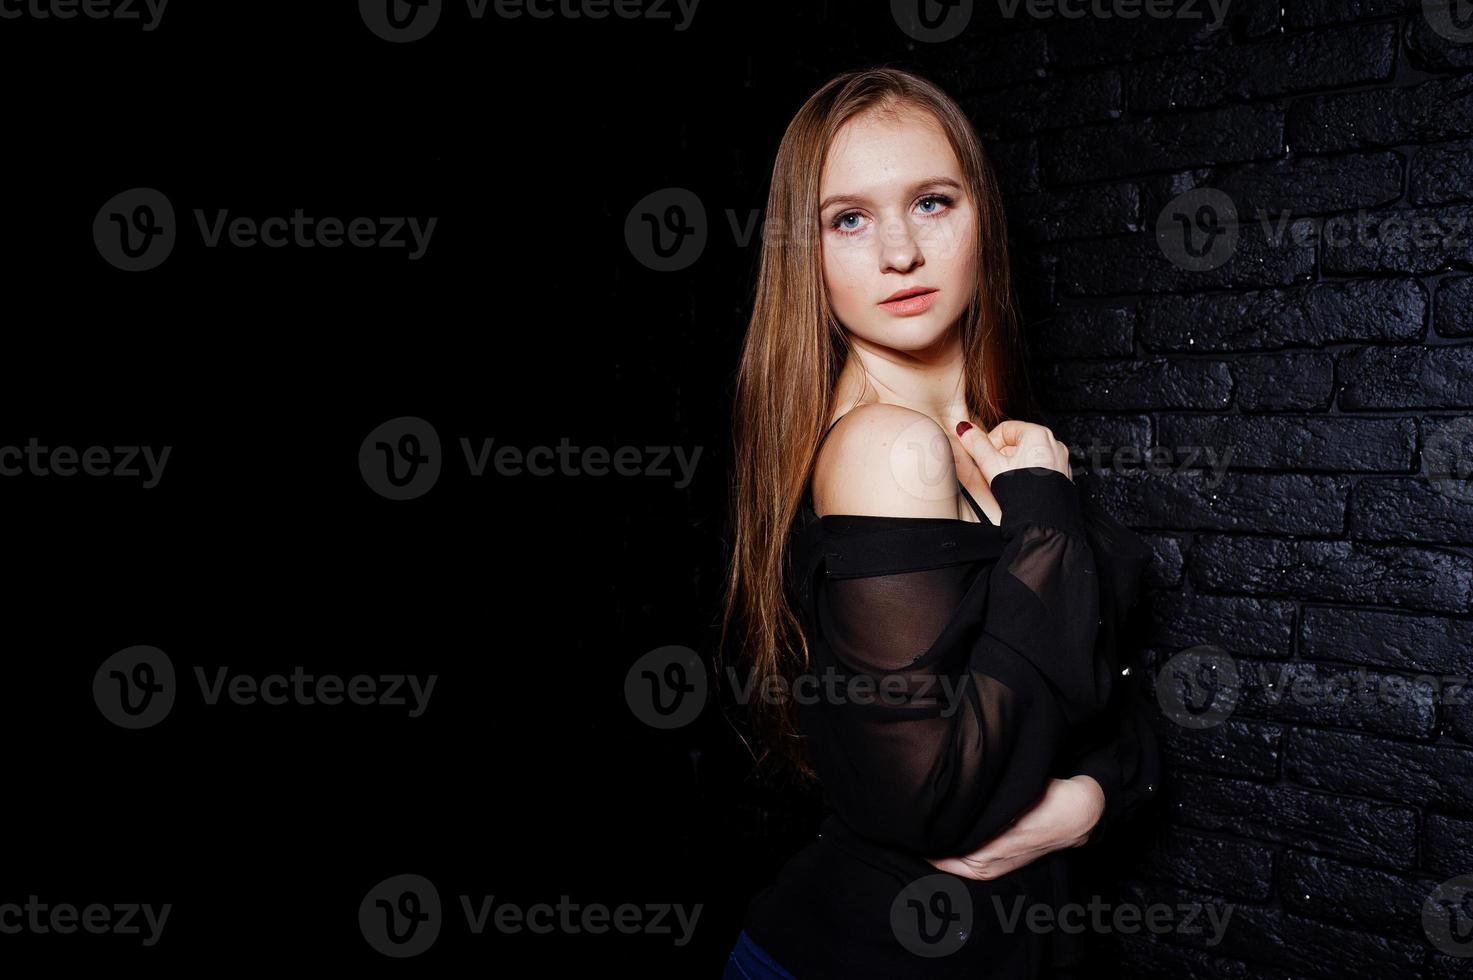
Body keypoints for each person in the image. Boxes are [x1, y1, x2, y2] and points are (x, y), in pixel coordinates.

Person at [717, 66, 1160, 978]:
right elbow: (937, 801)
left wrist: (1090, 800)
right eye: (848, 218)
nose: (899, 253)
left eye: (930, 202)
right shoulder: (890, 451)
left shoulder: (995, 442)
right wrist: (1043, 507)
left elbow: (1114, 705)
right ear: (806, 252)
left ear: (979, 220)